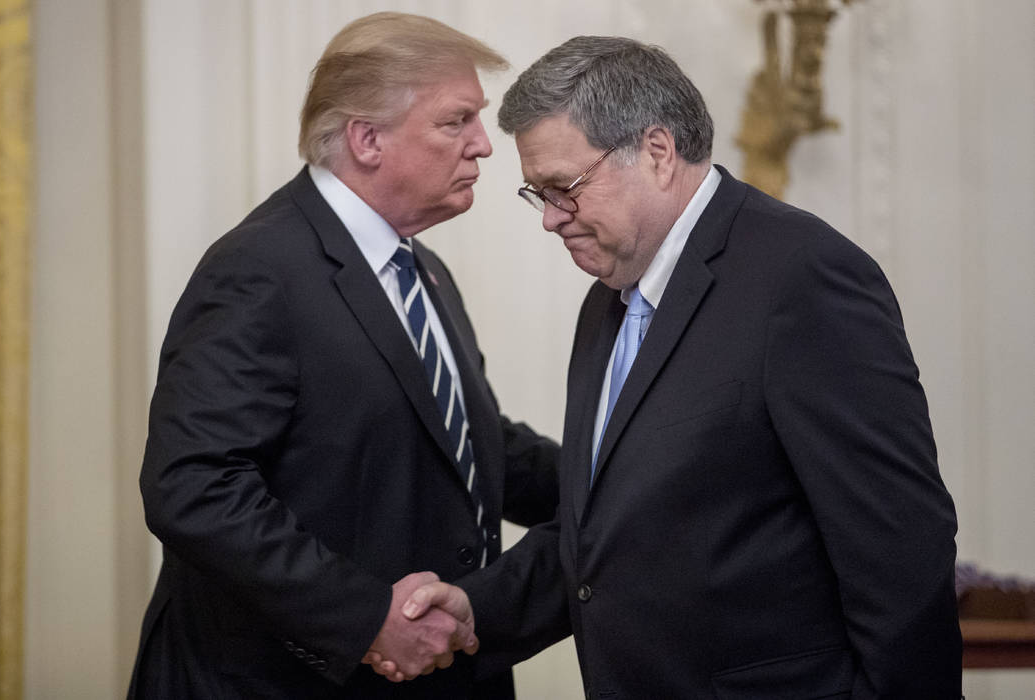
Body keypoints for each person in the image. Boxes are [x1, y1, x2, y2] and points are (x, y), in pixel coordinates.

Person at [405, 35, 962, 698]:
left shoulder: (800, 277)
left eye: (564, 189)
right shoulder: (605, 304)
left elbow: (898, 547)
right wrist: (479, 610)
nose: (551, 220)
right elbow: (608, 534)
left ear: (658, 153)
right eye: (539, 194)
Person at [127, 12, 559, 700]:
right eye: (458, 121)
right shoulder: (259, 268)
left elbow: (467, 446)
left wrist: (614, 480)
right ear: (367, 139)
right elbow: (195, 487)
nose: (483, 145)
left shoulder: (422, 270)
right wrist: (366, 618)